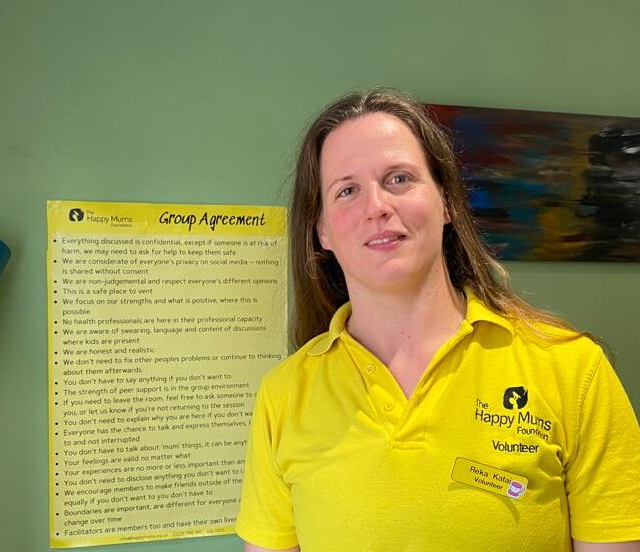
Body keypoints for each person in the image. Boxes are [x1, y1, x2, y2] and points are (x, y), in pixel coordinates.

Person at [235, 88, 640, 551]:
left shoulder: (571, 370)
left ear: (446, 201)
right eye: (346, 190)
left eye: (399, 179)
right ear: (321, 229)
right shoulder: (284, 395)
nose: (377, 207)